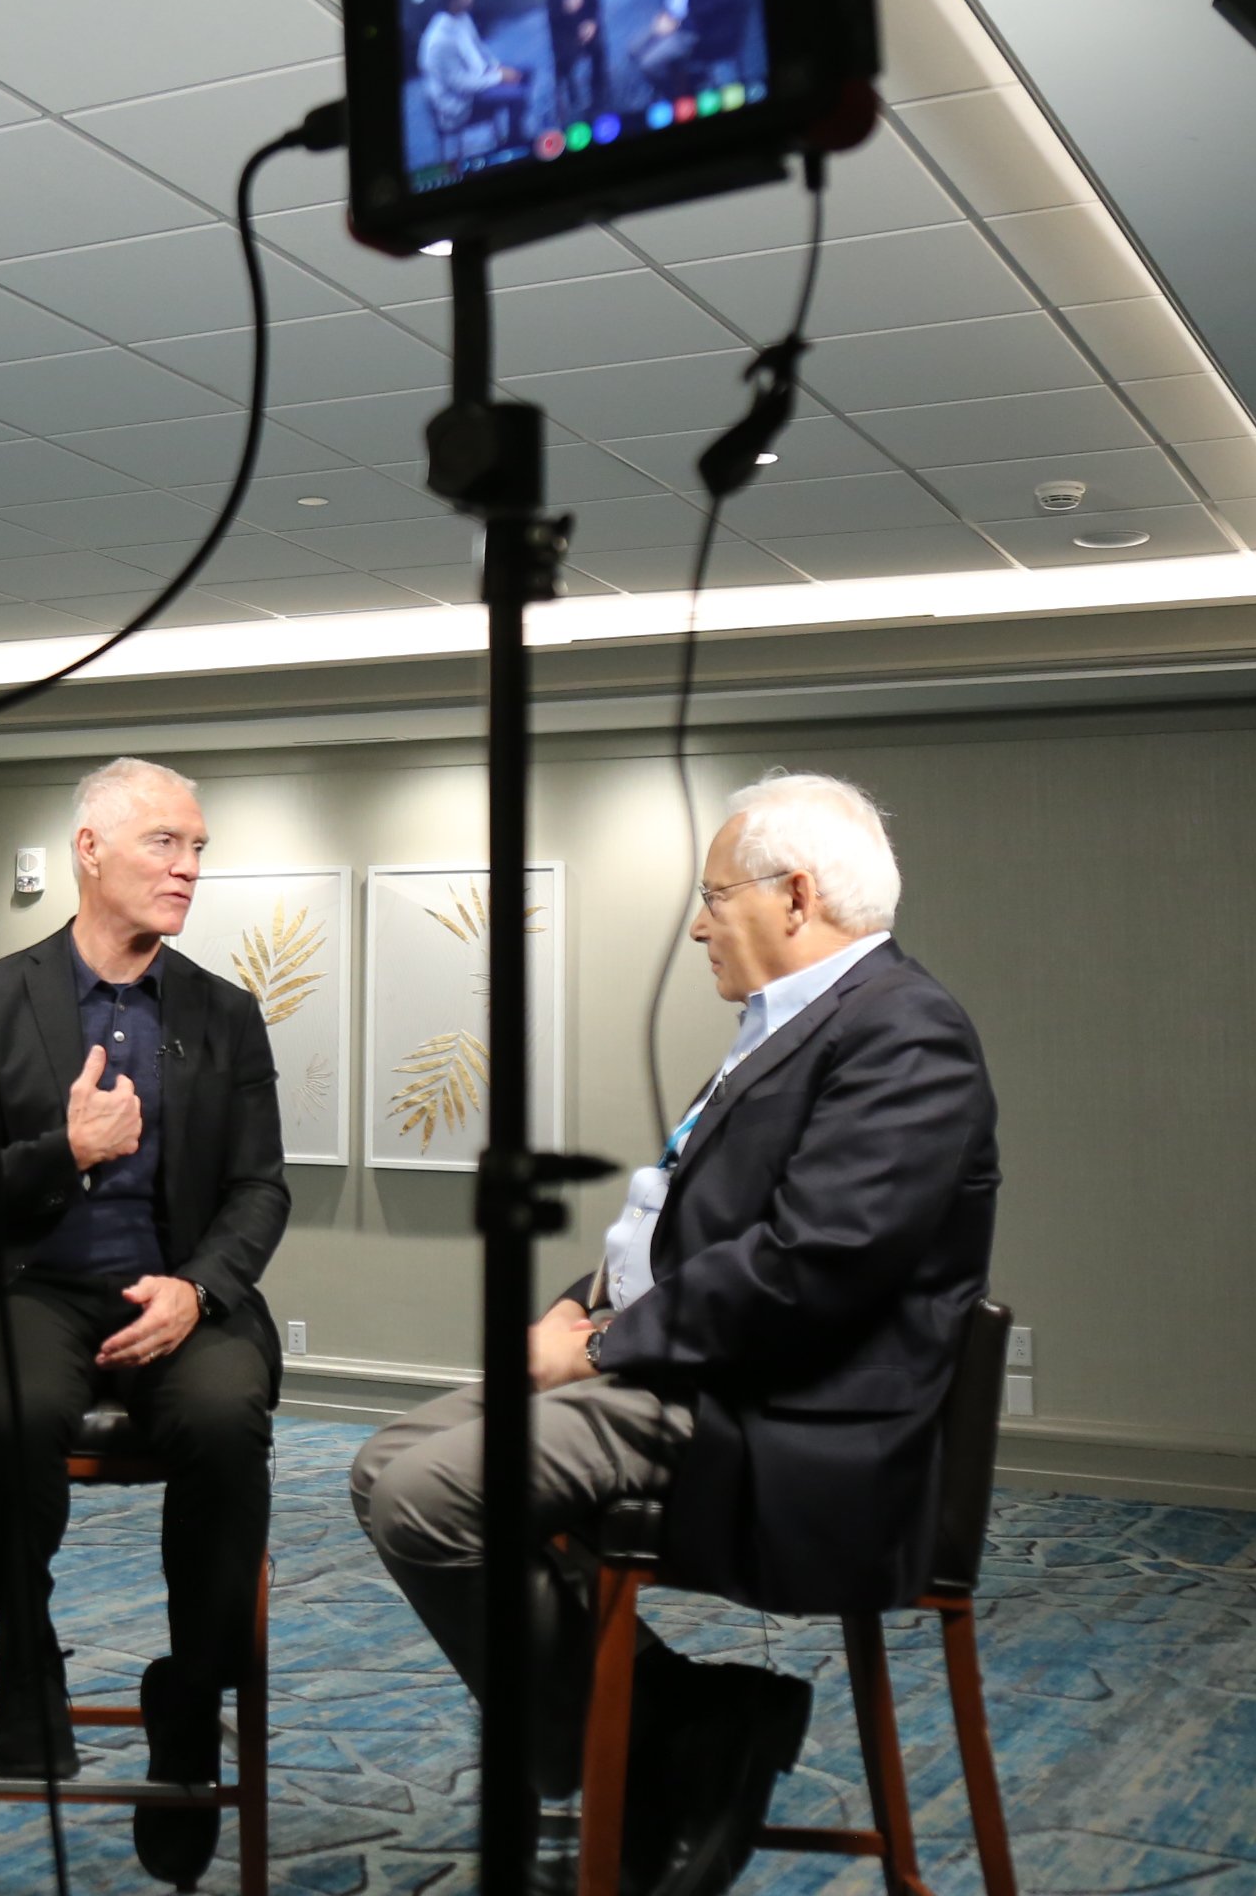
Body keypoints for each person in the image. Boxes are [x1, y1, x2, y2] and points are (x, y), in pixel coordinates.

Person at [349, 772, 998, 1896]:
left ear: (795, 895)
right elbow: (684, 1220)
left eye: (712, 896)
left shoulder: (905, 1031)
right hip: (693, 1370)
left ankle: (651, 1746)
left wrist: (598, 1350)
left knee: (432, 1496)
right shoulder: (786, 1026)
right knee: (379, 1468)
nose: (697, 923)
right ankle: (673, 1732)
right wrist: (576, 1300)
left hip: (783, 1414)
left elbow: (813, 1264)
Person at [0, 757, 287, 1887]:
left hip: (175, 1291)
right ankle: (25, 1645)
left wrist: (200, 1289)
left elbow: (261, 1186)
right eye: (164, 844)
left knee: (228, 1419)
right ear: (90, 850)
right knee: (12, 1406)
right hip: (28, 1284)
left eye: (197, 848)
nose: (188, 868)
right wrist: (63, 1151)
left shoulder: (222, 1013)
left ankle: (191, 1690)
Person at [415, 0, 532, 159]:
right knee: (517, 94)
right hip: (458, 102)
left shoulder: (462, 17)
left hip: (478, 78)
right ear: (453, 2)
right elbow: (461, 85)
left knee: (525, 73)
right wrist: (500, 78)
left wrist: (498, 67)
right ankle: (514, 144)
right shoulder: (439, 41)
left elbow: (480, 50)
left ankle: (514, 135)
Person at [543, 0, 607, 128]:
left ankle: (598, 91)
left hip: (586, 26)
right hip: (565, 34)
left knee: (597, 47)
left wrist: (591, 24)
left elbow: (596, 5)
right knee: (569, 57)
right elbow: (553, 19)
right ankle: (574, 95)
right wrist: (567, 10)